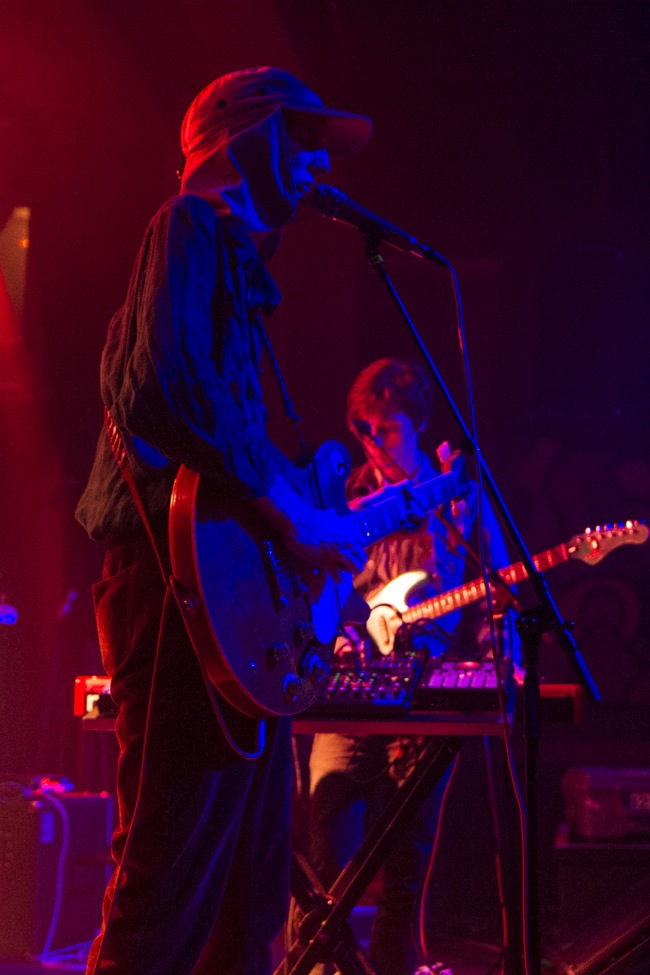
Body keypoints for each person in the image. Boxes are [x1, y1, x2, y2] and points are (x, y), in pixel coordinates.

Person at [75, 66, 373, 975]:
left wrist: (302, 527)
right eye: (305, 135)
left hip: (219, 616)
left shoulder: (239, 288)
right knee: (165, 891)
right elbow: (164, 390)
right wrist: (291, 511)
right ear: (249, 139)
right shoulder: (189, 226)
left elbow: (228, 445)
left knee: (244, 908)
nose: (322, 159)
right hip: (172, 606)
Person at [308, 358, 517, 975]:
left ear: (419, 425)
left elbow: (499, 587)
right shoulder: (346, 501)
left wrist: (497, 658)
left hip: (426, 695)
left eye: (388, 429)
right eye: (364, 431)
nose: (374, 445)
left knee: (407, 865)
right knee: (327, 862)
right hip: (345, 692)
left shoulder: (457, 498)